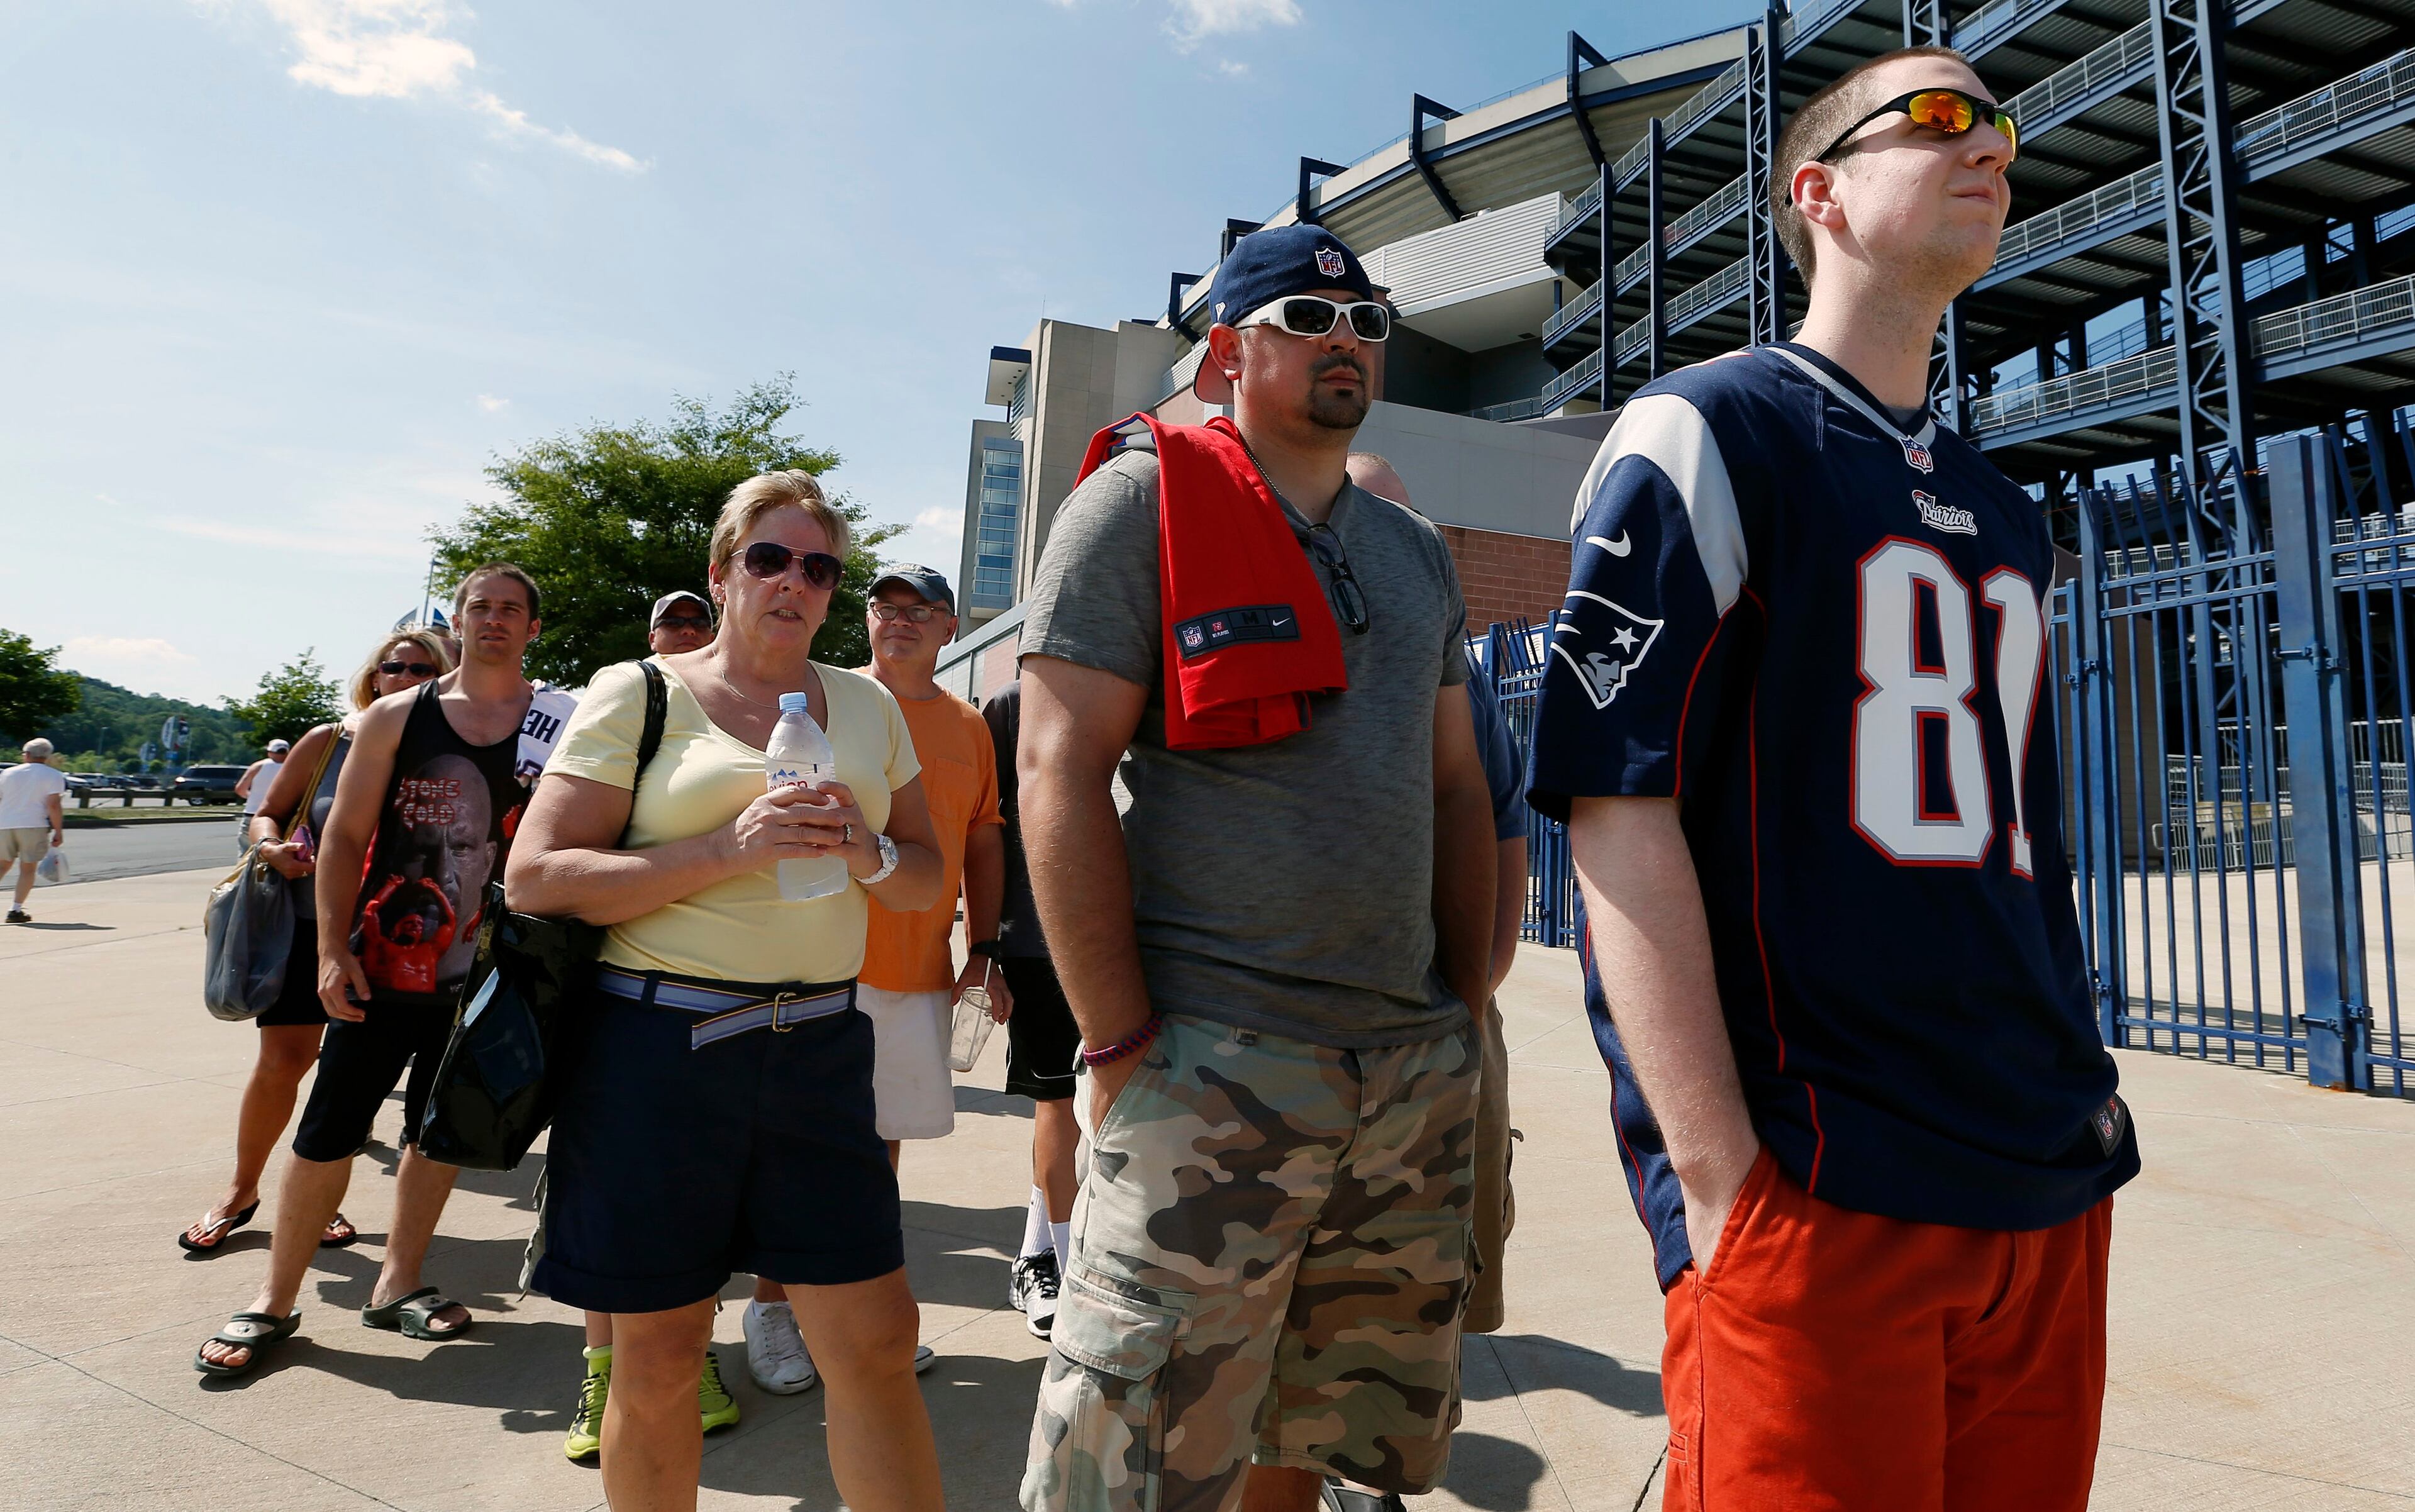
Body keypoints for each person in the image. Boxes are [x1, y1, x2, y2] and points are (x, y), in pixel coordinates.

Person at [1526, 48, 2137, 1512]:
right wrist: (1721, 1184)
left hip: (2040, 1171)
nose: (1988, 139)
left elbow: (2019, 846)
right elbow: (1617, 804)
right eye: (1935, 118)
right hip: (1821, 1181)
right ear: (1820, 194)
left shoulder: (2002, 509)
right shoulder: (1712, 429)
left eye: (1999, 120)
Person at [1016, 224, 1499, 1512]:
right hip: (1215, 1061)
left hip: (1404, 1071)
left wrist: (1471, 1001)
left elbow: (1458, 782)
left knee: (1314, 1427)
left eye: (1368, 324)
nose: (1347, 341)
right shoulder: (1134, 504)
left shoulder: (1416, 551)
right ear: (1227, 350)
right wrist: (1118, 1040)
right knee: (1132, 1471)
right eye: (1308, 317)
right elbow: (1056, 773)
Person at [509, 470, 947, 1512]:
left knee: (878, 1340)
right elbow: (536, 874)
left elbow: (929, 871)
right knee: (658, 1356)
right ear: (722, 571)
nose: (795, 580)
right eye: (770, 557)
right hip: (659, 1054)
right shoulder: (641, 691)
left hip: (821, 1047)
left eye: (819, 566)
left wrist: (869, 846)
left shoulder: (869, 703)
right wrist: (724, 846)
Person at [196, 564, 552, 1379]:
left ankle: (398, 1281)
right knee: (327, 1132)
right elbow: (347, 837)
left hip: (490, 973)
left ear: (533, 628)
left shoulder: (555, 725)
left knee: (439, 1131)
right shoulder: (398, 717)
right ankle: (275, 1299)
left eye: (511, 609)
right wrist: (331, 949)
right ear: (456, 621)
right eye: (479, 607)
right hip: (384, 966)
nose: (493, 620)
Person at [737, 562, 999, 1396]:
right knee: (798, 1144)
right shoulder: (821, 702)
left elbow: (984, 842)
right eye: (888, 606)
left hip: (918, 967)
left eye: (923, 610)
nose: (902, 620)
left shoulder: (971, 726)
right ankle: (772, 1308)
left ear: (952, 628)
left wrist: (984, 951)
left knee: (874, 1148)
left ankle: (847, 1310)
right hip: (817, 961)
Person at [1330, 453, 1531, 1512]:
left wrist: (1477, 982)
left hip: (1439, 1022)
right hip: (1301, 1034)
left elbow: (1501, 824)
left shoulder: (1456, 671)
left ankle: (1371, 1452)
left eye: (1408, 526)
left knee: (1436, 1257)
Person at [177, 630, 453, 1257]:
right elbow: (264, 812)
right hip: (308, 930)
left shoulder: (455, 751)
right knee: (284, 1062)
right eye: (396, 666)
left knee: (349, 1079)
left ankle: (316, 1200)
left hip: (400, 945)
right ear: (374, 676)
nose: (408, 676)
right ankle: (242, 1190)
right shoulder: (331, 741)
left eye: (424, 669)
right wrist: (270, 845)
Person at [555, 582, 743, 1462]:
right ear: (650, 634)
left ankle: (693, 1356)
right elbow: (549, 864)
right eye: (670, 622)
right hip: (606, 992)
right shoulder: (623, 701)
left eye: (693, 625)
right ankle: (601, 1370)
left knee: (690, 1214)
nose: (682, 634)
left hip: (703, 1008)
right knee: (613, 1217)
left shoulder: (720, 720)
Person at [979, 677, 1076, 1342]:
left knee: (1123, 1110)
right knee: (1061, 1103)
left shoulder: (1163, 685)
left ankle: (1044, 1251)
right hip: (1043, 941)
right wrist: (986, 945)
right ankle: (1058, 1266)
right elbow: (980, 827)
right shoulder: (1013, 706)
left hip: (1155, 934)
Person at [1, 738, 68, 925]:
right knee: (27, 868)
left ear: (27, 755)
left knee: (2, 865)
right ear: (47, 757)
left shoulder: (7, 773)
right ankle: (15, 909)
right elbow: (53, 806)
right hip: (33, 825)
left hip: (4, 824)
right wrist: (58, 831)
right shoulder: (54, 775)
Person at [236, 738, 291, 826]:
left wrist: (252, 796)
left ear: (270, 752)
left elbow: (240, 789)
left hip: (253, 812)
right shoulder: (294, 769)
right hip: (282, 815)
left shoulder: (257, 766)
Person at [649, 589, 716, 655]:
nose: (689, 630)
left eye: (699, 623)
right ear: (653, 639)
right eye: (673, 623)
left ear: (712, 640)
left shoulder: (722, 666)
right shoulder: (639, 666)